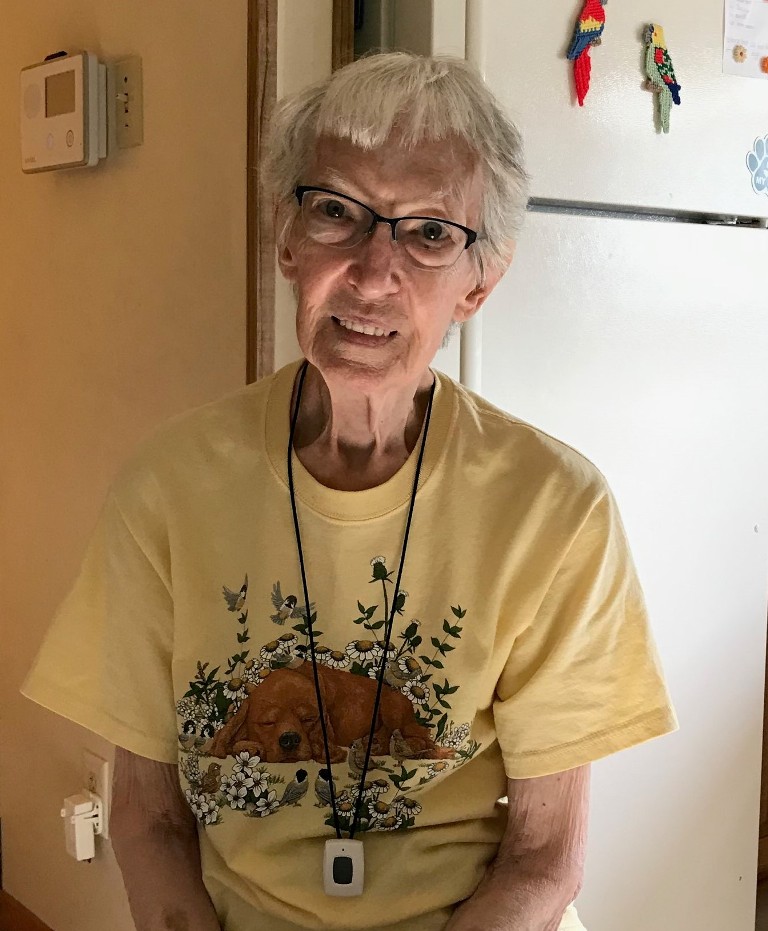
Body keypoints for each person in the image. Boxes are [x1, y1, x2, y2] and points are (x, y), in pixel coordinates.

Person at [22, 52, 677, 931]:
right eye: (336, 211)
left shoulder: (555, 510)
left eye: (429, 232)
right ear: (287, 239)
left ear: (480, 282)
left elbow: (543, 858)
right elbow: (147, 817)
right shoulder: (168, 488)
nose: (373, 275)